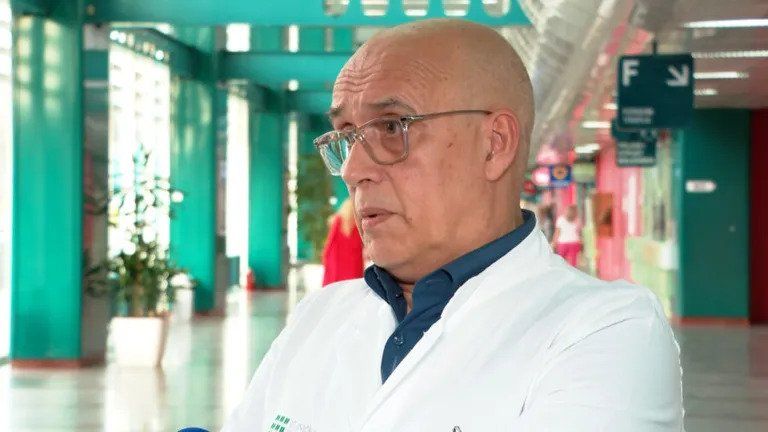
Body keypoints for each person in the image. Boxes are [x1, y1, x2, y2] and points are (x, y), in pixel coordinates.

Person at [223, 19, 682, 431]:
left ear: (494, 144)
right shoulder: (318, 317)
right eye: (346, 135)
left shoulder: (606, 331)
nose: (352, 169)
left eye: (392, 127)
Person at [321, 198, 364, 286]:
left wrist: (325, 255)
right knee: (352, 285)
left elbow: (331, 240)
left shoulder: (338, 221)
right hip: (354, 261)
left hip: (338, 259)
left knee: (336, 284)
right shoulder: (358, 224)